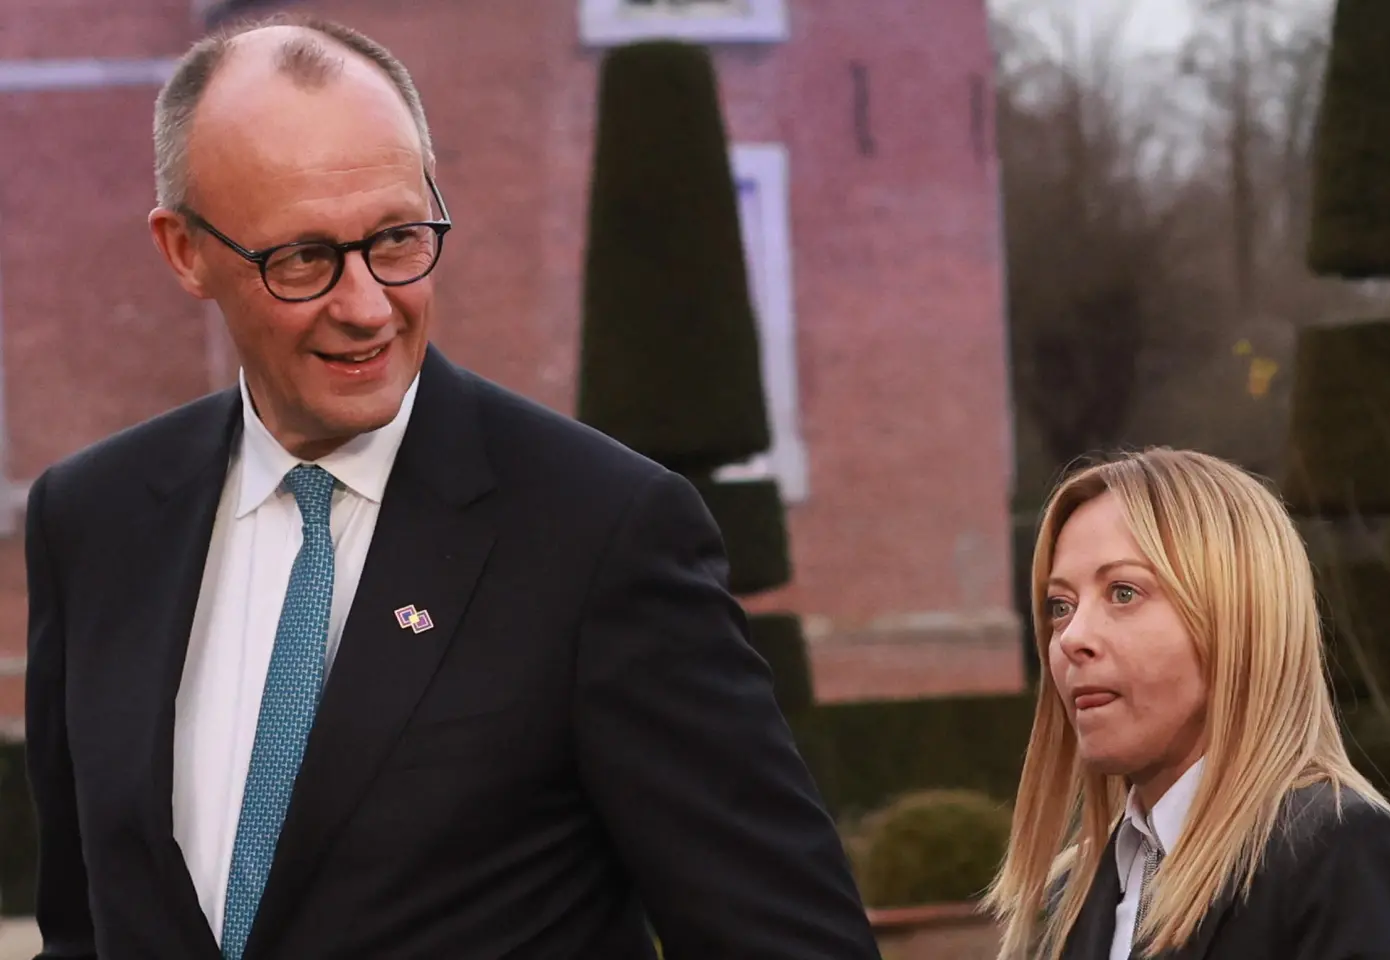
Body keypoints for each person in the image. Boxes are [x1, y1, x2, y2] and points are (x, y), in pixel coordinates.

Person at [23, 14, 882, 960]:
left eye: (396, 239)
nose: (366, 306)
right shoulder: (91, 522)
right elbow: (82, 928)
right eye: (303, 259)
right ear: (184, 251)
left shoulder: (600, 533)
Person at [983, 448, 1390, 959]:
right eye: (1060, 606)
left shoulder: (1343, 855)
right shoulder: (1072, 894)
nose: (1071, 638)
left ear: (1237, 618)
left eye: (1124, 592)